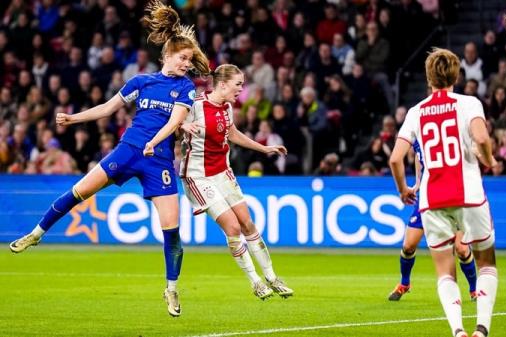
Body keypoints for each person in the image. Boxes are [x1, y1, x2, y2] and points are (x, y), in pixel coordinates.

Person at [9, 1, 211, 318]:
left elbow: (175, 123)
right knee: (79, 192)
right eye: (183, 58)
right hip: (129, 150)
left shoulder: (184, 88)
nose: (187, 64)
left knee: (172, 230)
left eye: (190, 59)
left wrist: (156, 142)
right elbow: (106, 108)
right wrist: (72, 119)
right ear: (167, 55)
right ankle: (36, 234)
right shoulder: (141, 82)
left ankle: (171, 289)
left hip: (158, 161)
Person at [389, 48, 498, 337]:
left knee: (445, 270)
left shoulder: (416, 112)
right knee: (486, 261)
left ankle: (458, 331)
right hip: (470, 196)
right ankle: (482, 329)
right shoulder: (469, 103)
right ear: (456, 75)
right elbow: (482, 138)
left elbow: (394, 158)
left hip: (432, 198)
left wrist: (403, 190)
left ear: (428, 78)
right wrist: (488, 159)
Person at [179, 64, 294, 300]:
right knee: (232, 227)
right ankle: (255, 281)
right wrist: (182, 125)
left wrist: (264, 148)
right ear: (222, 84)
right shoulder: (195, 105)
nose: (241, 90)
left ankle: (272, 278)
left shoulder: (228, 107)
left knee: (248, 224)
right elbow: (170, 120)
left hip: (223, 172)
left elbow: (232, 134)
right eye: (238, 84)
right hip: (198, 176)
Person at [388, 141, 478, 302]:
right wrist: (418, 182)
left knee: (462, 249)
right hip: (427, 197)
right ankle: (404, 284)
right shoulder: (420, 129)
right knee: (408, 246)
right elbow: (418, 155)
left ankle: (474, 289)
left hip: (452, 197)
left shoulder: (450, 130)